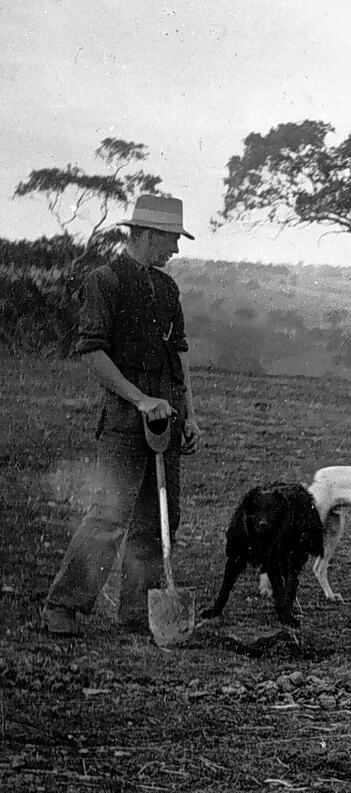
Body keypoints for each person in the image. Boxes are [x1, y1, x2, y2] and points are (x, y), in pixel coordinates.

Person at [41, 194, 203, 637]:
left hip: (166, 419)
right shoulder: (105, 281)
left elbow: (180, 354)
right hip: (123, 422)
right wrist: (139, 400)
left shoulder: (167, 288)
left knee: (159, 519)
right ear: (147, 235)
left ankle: (138, 612)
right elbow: (91, 351)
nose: (175, 249)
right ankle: (65, 606)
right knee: (109, 516)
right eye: (171, 239)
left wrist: (189, 415)